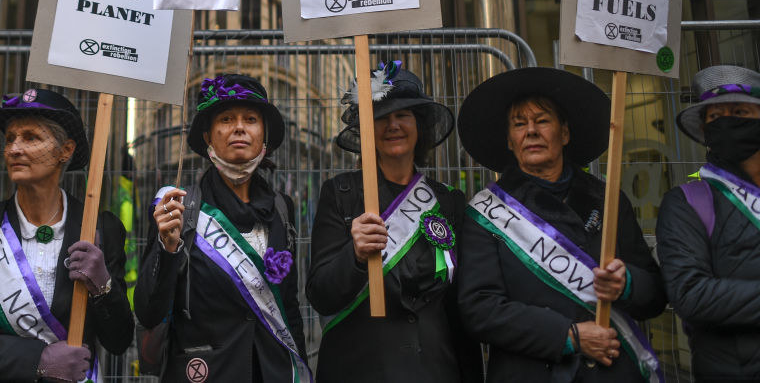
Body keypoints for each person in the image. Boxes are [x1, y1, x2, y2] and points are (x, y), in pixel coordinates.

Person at [456, 67, 667, 382]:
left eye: (542, 120)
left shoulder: (607, 200)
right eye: (519, 124)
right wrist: (568, 336)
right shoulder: (486, 214)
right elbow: (479, 310)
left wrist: (627, 285)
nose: (531, 131)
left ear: (564, 133)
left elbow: (654, 293)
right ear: (510, 141)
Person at [0, 88, 133, 382]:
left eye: (31, 137)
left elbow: (119, 341)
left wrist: (103, 288)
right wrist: (36, 360)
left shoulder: (100, 229)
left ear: (66, 150)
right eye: (10, 138)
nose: (13, 149)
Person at [307, 61, 480, 382]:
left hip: (435, 368)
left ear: (421, 127)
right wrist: (354, 256)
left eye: (404, 115)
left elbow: (460, 305)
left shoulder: (448, 201)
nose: (393, 125)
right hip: (362, 368)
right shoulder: (341, 194)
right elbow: (320, 294)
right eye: (382, 117)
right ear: (367, 131)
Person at [134, 74, 310, 382]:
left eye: (251, 119)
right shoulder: (178, 209)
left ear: (264, 134)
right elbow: (148, 312)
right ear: (208, 136)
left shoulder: (282, 208)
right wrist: (168, 248)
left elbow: (290, 308)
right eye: (226, 119)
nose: (239, 127)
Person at [656, 65, 760, 381]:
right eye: (715, 117)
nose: (726, 122)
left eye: (739, 112)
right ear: (704, 131)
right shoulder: (686, 201)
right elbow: (690, 293)